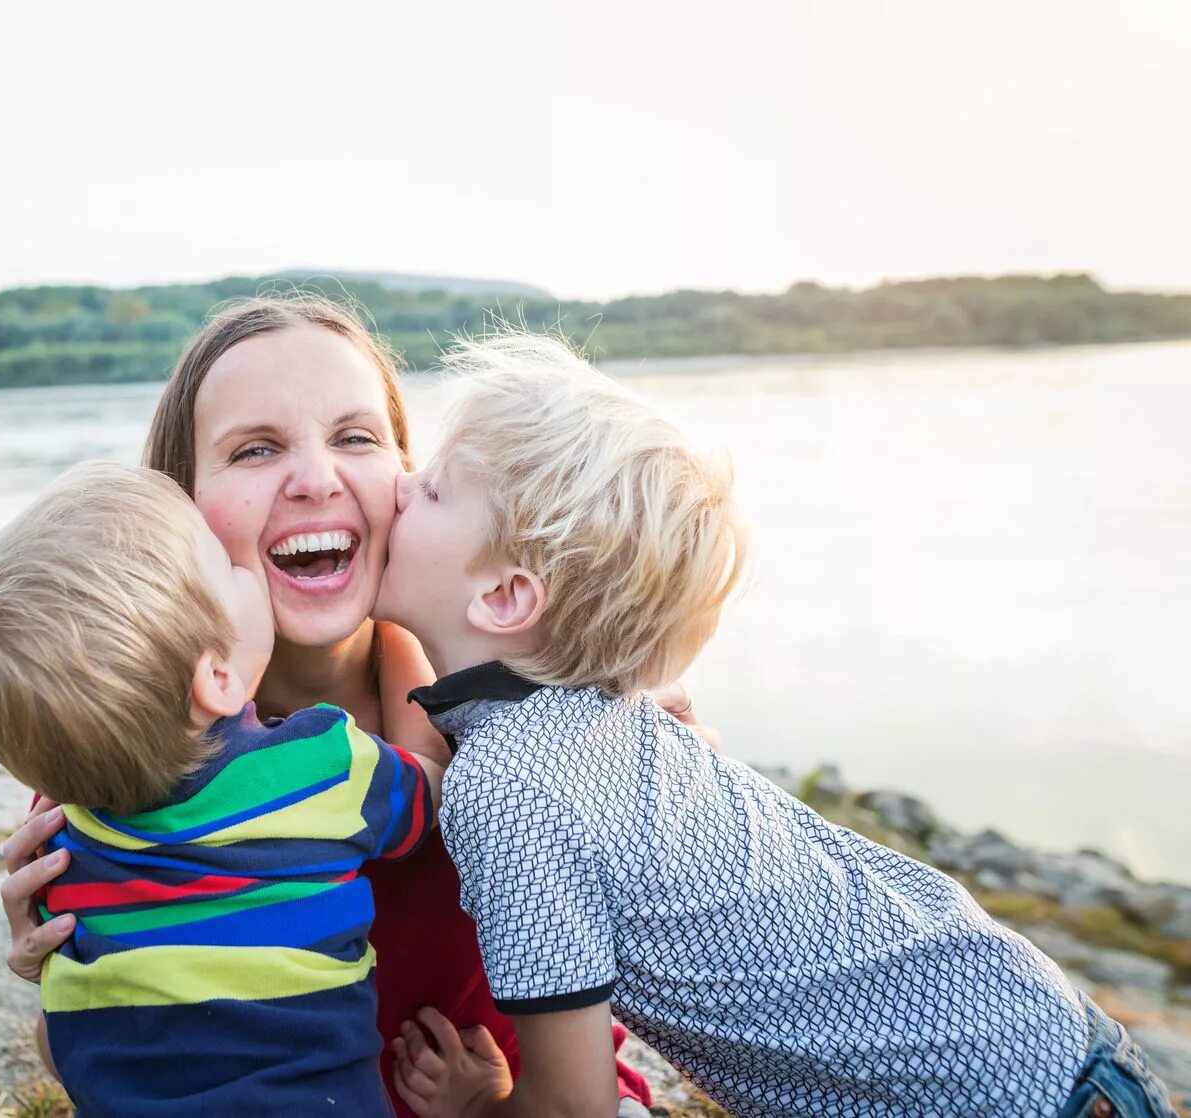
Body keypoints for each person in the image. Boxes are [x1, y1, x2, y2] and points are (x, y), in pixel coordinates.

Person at [378, 332, 1180, 1118]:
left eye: (437, 489)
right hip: (1057, 1041)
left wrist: (479, 1107)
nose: (400, 485)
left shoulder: (506, 783)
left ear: (507, 597)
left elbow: (576, 1106)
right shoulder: (600, 714)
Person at [0, 295, 679, 1114]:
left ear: (409, 477)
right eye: (254, 450)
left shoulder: (531, 716)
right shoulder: (127, 745)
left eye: (356, 438)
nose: (317, 479)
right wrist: (54, 965)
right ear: (176, 508)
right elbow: (90, 1065)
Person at [0, 460, 444, 1115]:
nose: (240, 569)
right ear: (218, 678)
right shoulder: (320, 764)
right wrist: (397, 630)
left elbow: (64, 1040)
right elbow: (425, 782)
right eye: (224, 567)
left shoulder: (65, 843)